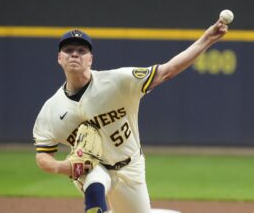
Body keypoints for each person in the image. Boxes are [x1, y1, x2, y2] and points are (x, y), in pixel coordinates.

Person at [33, 19, 228, 213]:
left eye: (81, 50)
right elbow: (43, 155)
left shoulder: (117, 81)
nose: (74, 53)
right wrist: (64, 166)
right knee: (93, 176)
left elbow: (167, 71)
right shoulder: (51, 109)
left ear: (90, 59)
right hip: (92, 165)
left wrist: (207, 39)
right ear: (59, 58)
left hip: (130, 166)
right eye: (68, 50)